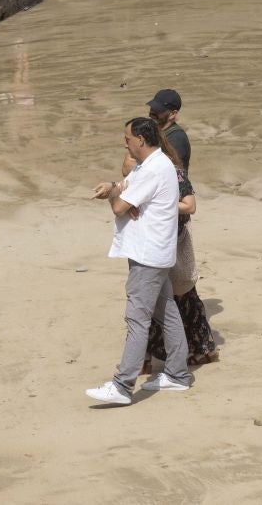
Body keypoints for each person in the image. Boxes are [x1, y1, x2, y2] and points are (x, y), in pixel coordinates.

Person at [87, 118, 194, 405]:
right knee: (167, 311)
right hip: (155, 254)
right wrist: (114, 187)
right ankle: (177, 374)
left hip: (148, 256)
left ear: (141, 140)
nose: (125, 142)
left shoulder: (155, 168)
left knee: (137, 318)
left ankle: (123, 385)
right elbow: (124, 186)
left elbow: (120, 206)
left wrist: (114, 195)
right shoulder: (153, 165)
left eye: (128, 138)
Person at [144, 158, 219, 370]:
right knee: (175, 298)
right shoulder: (142, 170)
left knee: (164, 299)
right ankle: (202, 350)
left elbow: (189, 205)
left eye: (129, 143)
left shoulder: (173, 167)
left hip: (173, 243)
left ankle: (147, 359)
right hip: (155, 243)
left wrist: (155, 204)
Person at [122, 89, 190, 176]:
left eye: (159, 110)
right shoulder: (150, 132)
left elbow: (160, 172)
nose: (152, 112)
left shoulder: (177, 139)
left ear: (172, 114)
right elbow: (127, 167)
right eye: (153, 107)